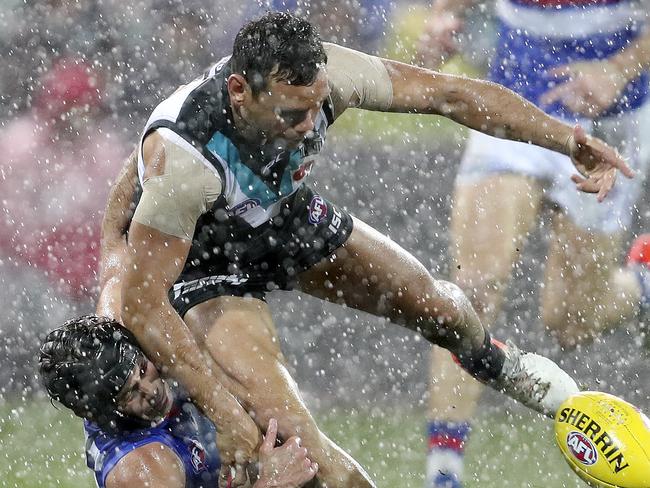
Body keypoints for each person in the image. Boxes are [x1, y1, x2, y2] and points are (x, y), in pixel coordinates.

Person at [100, 11, 633, 487]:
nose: (310, 125)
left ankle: (501, 366)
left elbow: (452, 94)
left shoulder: (329, 76)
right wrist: (228, 417)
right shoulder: (185, 159)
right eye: (292, 115)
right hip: (206, 265)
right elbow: (144, 305)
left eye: (316, 108)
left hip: (282, 217)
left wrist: (567, 140)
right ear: (240, 91)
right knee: (310, 458)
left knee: (440, 307)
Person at [419, 1, 650, 486]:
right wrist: (442, 17)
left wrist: (618, 68)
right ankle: (444, 473)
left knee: (569, 320)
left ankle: (641, 280)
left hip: (610, 124)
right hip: (512, 109)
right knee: (471, 291)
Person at [38, 314, 319, 488]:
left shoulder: (109, 344)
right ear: (104, 414)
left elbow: (116, 264)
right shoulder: (141, 468)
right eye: (129, 395)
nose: (150, 391)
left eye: (142, 370)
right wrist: (273, 483)